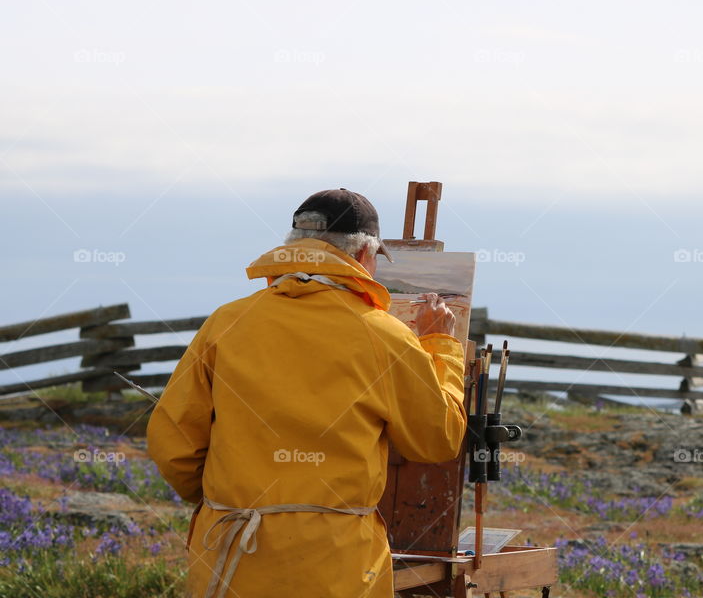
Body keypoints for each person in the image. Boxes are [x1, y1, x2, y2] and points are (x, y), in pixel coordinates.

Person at [147, 188, 467, 598]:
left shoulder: (226, 322)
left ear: (292, 248)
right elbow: (437, 439)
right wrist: (440, 344)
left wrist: (222, 502)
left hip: (231, 551)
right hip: (338, 565)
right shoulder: (385, 335)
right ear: (365, 256)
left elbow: (172, 441)